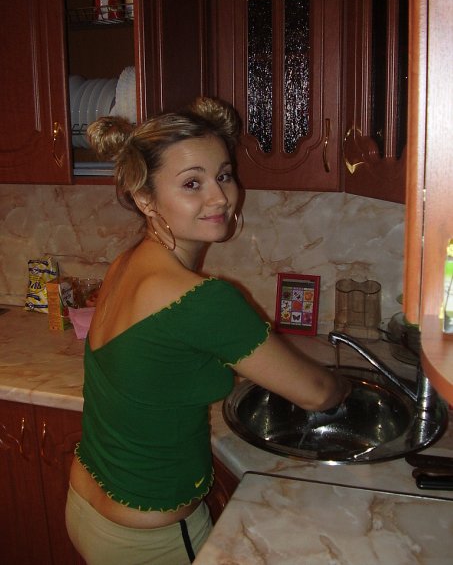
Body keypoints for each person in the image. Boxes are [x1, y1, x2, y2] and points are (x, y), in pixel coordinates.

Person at [65, 97, 351, 565]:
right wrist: (346, 387)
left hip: (88, 505)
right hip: (151, 536)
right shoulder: (203, 299)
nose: (220, 197)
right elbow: (318, 393)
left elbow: (164, 359)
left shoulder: (127, 264)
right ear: (144, 198)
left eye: (224, 175)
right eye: (192, 183)